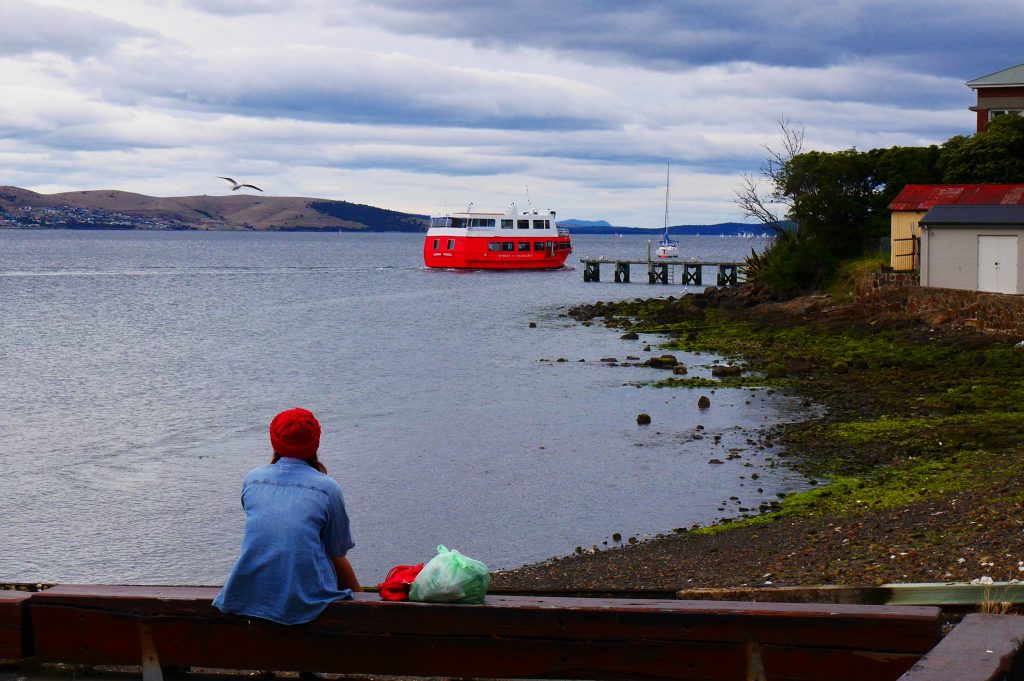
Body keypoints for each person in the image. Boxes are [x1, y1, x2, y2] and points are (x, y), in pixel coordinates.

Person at [213, 407, 362, 625]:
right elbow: (338, 549)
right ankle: (366, 609)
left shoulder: (253, 480)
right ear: (315, 443)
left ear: (274, 442)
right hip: (305, 605)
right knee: (331, 556)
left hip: (250, 597)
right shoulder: (328, 489)